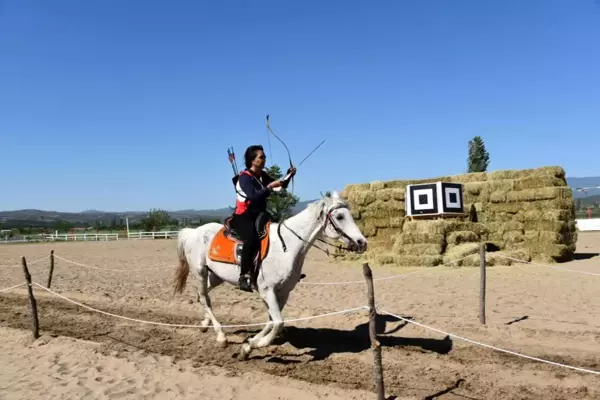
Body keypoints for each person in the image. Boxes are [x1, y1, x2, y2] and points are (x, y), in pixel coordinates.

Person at [230, 145, 296, 292]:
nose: (264, 159)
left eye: (264, 156)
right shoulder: (244, 178)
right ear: (253, 161)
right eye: (261, 157)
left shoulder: (262, 175)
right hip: (243, 216)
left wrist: (289, 175)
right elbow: (253, 195)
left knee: (278, 235)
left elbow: (280, 186)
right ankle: (244, 276)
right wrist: (270, 187)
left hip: (260, 214)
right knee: (251, 239)